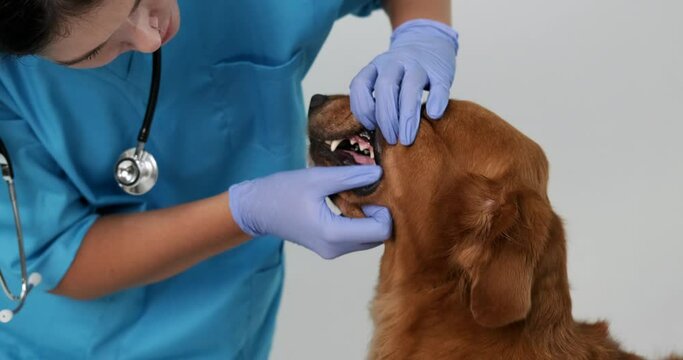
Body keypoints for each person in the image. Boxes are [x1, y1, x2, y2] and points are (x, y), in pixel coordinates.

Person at [0, 0, 458, 358]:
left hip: (231, 329)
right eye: (96, 49)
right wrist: (247, 213)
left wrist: (423, 31)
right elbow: (54, 257)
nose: (150, 35)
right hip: (70, 344)